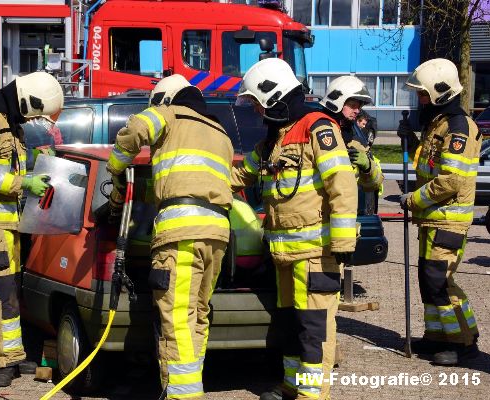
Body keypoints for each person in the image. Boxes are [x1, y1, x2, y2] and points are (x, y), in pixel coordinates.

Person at [230, 58, 357, 400]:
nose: (255, 110)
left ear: (273, 97)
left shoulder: (318, 128)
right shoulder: (276, 137)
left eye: (257, 102)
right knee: (289, 325)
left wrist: (344, 239)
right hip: (284, 253)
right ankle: (292, 385)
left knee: (314, 329)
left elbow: (342, 184)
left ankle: (312, 395)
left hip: (316, 253)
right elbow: (242, 174)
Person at [106, 74, 233, 400]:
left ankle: (181, 395)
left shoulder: (168, 113)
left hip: (180, 233)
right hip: (218, 234)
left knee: (176, 318)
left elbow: (135, 130)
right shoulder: (220, 131)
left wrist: (116, 167)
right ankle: (189, 386)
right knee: (198, 316)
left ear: (165, 98)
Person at [0, 71, 64, 387]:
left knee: (2, 293)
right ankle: (7, 361)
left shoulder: (7, 121)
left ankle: (0, 352)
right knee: (3, 292)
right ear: (27, 100)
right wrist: (23, 183)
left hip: (6, 222)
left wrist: (38, 165)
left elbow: (8, 166)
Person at [398, 58, 481, 366]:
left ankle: (464, 342)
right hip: (433, 218)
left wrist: (413, 200)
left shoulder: (459, 127)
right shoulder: (440, 123)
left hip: (448, 219)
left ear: (440, 92)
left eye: (422, 93)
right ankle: (436, 337)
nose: (419, 99)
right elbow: (431, 165)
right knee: (427, 279)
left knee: (440, 280)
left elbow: (451, 179)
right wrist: (412, 139)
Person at [319, 76, 384, 215]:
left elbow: (376, 182)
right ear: (337, 101)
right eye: (353, 105)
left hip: (345, 214)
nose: (357, 111)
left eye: (359, 107)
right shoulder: (315, 133)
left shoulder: (357, 141)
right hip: (318, 214)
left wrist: (367, 167)